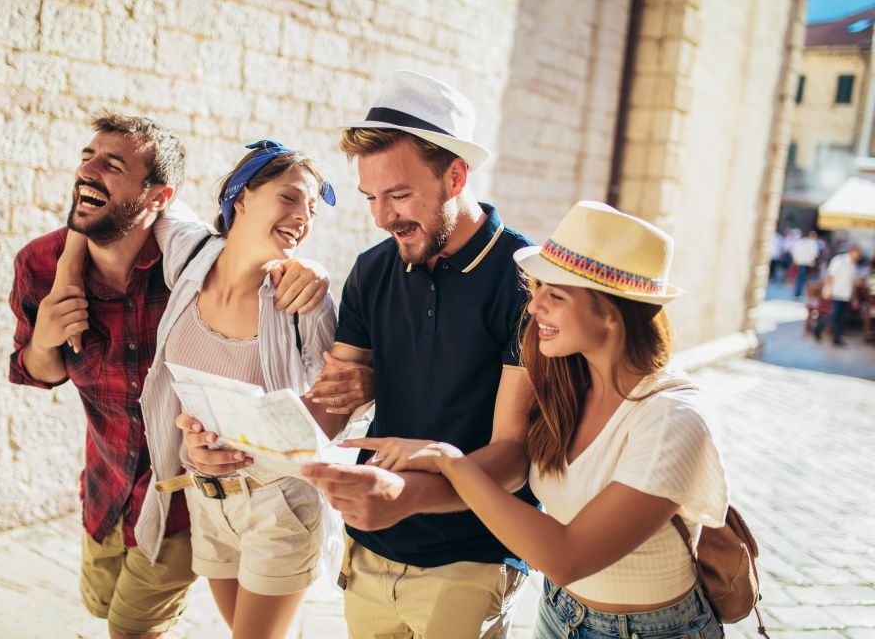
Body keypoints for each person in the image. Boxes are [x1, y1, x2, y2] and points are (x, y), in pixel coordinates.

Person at [8, 115, 329, 639]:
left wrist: (310, 268)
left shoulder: (186, 260)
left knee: (131, 628)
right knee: (103, 605)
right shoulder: (40, 264)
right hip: (108, 487)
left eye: (113, 165)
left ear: (158, 197)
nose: (88, 170)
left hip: (186, 498)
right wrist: (47, 330)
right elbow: (39, 374)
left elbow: (247, 253)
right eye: (86, 157)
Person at [347, 201, 730, 639]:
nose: (533, 308)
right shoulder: (566, 385)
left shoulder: (673, 419)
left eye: (556, 295)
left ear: (610, 311)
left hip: (651, 630)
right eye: (538, 290)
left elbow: (568, 557)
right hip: (559, 612)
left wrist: (448, 460)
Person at [298, 71, 539, 638]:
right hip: (371, 547)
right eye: (371, 198)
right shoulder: (373, 268)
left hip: (474, 553)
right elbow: (331, 404)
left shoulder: (528, 280)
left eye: (399, 195)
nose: (382, 217)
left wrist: (405, 496)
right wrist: (248, 441)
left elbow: (513, 456)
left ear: (455, 175)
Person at [814, 245, 862, 345]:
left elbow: (852, 283)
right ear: (852, 251)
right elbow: (830, 275)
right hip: (836, 292)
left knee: (840, 317)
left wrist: (854, 298)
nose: (858, 256)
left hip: (846, 294)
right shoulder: (839, 260)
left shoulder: (853, 265)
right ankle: (818, 329)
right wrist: (827, 289)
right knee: (834, 314)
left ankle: (836, 338)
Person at [791, 230, 819, 298]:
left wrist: (796, 258)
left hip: (800, 261)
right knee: (802, 277)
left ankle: (798, 291)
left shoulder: (801, 242)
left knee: (800, 276)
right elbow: (815, 254)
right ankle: (798, 292)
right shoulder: (812, 244)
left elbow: (794, 250)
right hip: (807, 263)